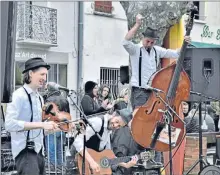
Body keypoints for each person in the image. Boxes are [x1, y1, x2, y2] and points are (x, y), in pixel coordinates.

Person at [122, 14, 191, 110]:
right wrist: (137, 24)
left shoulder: (157, 50)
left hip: (153, 91)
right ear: (143, 38)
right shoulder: (136, 50)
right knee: (139, 117)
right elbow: (125, 42)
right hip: (139, 90)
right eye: (147, 41)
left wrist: (185, 43)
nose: (149, 44)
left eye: (152, 42)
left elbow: (175, 53)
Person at [5, 57, 59, 175]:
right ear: (30, 73)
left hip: (39, 152)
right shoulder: (18, 96)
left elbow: (38, 129)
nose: (44, 79)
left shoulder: (39, 98)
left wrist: (52, 128)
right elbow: (9, 124)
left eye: (46, 75)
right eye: (42, 74)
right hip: (25, 152)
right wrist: (42, 124)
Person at [72, 109, 138, 174]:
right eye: (117, 121)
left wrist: (125, 165)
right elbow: (77, 141)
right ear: (114, 114)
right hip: (79, 162)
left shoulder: (108, 131)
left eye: (119, 126)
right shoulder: (98, 122)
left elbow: (108, 155)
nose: (115, 125)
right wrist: (91, 162)